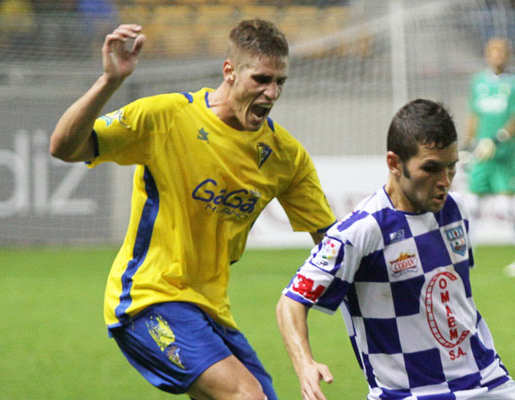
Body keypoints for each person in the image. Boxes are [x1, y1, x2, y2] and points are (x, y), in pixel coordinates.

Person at [50, 20, 336, 400]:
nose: (272, 92)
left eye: (280, 81)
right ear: (229, 72)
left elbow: (331, 243)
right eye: (262, 79)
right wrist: (110, 82)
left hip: (211, 310)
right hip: (147, 298)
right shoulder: (166, 117)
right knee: (247, 396)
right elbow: (64, 147)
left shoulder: (285, 157)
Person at [277, 99, 515, 400]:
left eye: (451, 167)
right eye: (431, 168)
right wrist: (304, 364)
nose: (445, 182)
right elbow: (291, 302)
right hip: (409, 394)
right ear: (394, 163)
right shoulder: (361, 231)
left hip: (488, 383)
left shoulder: (455, 209)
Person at [462, 37, 515, 276]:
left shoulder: (512, 83)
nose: (497, 55)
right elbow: (474, 114)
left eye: (501, 51)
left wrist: (500, 137)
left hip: (504, 154)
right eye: (493, 51)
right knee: (471, 203)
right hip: (481, 152)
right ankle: (464, 254)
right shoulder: (478, 82)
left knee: (506, 207)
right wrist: (467, 143)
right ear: (487, 54)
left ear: (508, 55)